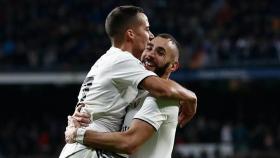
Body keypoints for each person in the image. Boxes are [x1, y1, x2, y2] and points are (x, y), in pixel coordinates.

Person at [59, 5, 197, 158]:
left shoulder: (107, 61)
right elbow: (164, 89)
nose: (150, 35)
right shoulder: (124, 61)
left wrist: (77, 130)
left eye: (160, 52)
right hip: (89, 151)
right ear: (131, 34)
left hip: (84, 148)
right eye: (147, 29)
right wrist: (191, 97)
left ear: (174, 65)